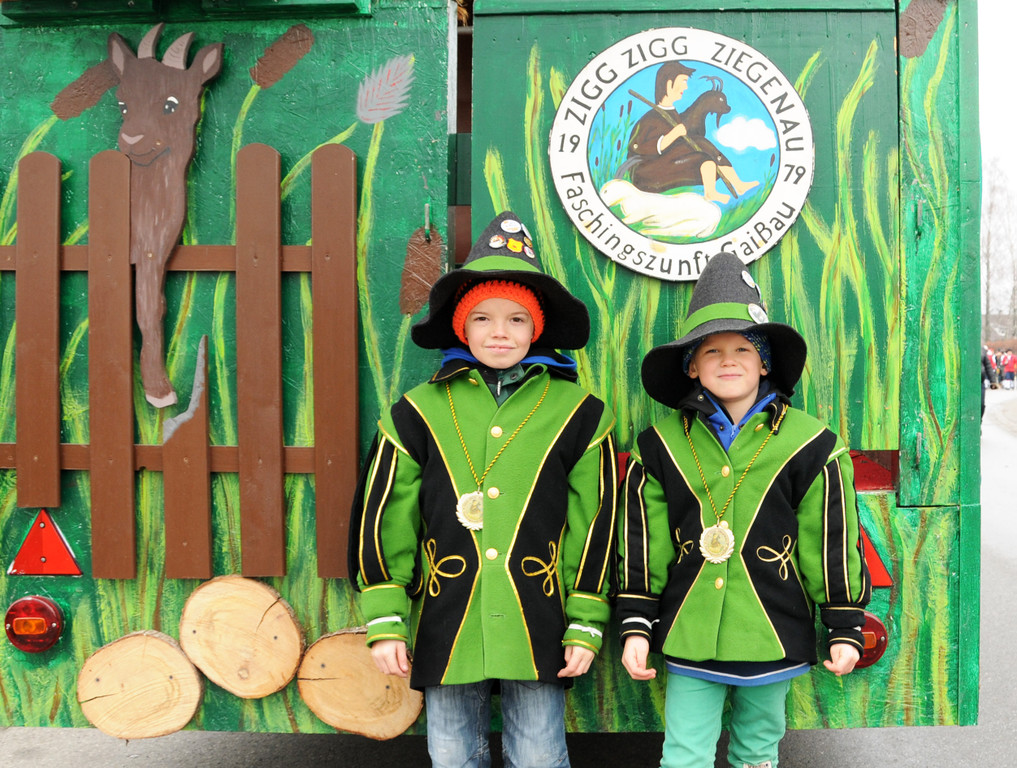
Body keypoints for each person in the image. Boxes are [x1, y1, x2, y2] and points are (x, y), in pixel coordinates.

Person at [350, 211, 617, 768]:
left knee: (540, 754)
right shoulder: (415, 412)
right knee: (451, 754)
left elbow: (597, 523)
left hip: (538, 619)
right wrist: (385, 616)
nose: (500, 332)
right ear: (461, 328)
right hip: (447, 617)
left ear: (536, 328)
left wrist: (585, 618)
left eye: (517, 319)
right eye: (483, 318)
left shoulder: (581, 415)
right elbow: (385, 517)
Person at [616, 252, 871, 768]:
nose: (728, 360)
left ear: (764, 363)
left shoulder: (813, 445)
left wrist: (844, 624)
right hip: (689, 634)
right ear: (692, 366)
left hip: (772, 633)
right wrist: (636, 623)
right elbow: (643, 544)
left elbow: (830, 540)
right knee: (683, 756)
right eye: (711, 350)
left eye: (743, 349)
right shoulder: (658, 447)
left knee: (757, 753)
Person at [623, 61, 757, 203]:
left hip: (661, 164)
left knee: (701, 146)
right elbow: (638, 147)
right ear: (669, 84)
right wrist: (674, 134)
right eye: (683, 81)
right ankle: (713, 192)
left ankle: (736, 185)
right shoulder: (651, 118)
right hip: (645, 174)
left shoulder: (672, 114)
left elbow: (679, 145)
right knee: (702, 151)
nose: (686, 86)